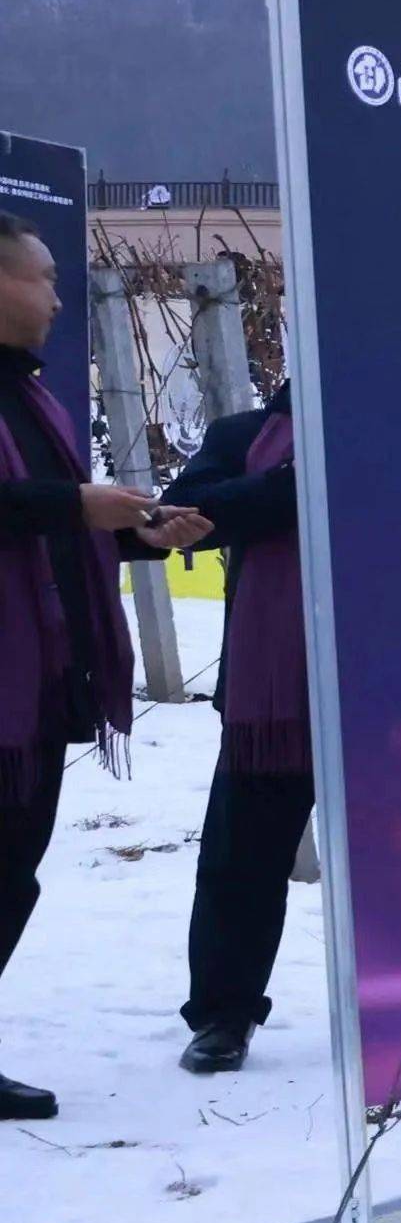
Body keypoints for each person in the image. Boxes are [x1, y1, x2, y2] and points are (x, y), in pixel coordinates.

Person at [0, 216, 154, 1120]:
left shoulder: (34, 394)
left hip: (39, 686)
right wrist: (74, 503)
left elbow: (46, 528)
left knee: (14, 873)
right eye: (44, 277)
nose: (59, 296)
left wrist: (134, 531)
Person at [153, 372, 307, 1072]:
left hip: (391, 685)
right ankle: (223, 1014)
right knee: (240, 862)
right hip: (271, 692)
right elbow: (181, 511)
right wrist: (288, 488)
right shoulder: (246, 436)